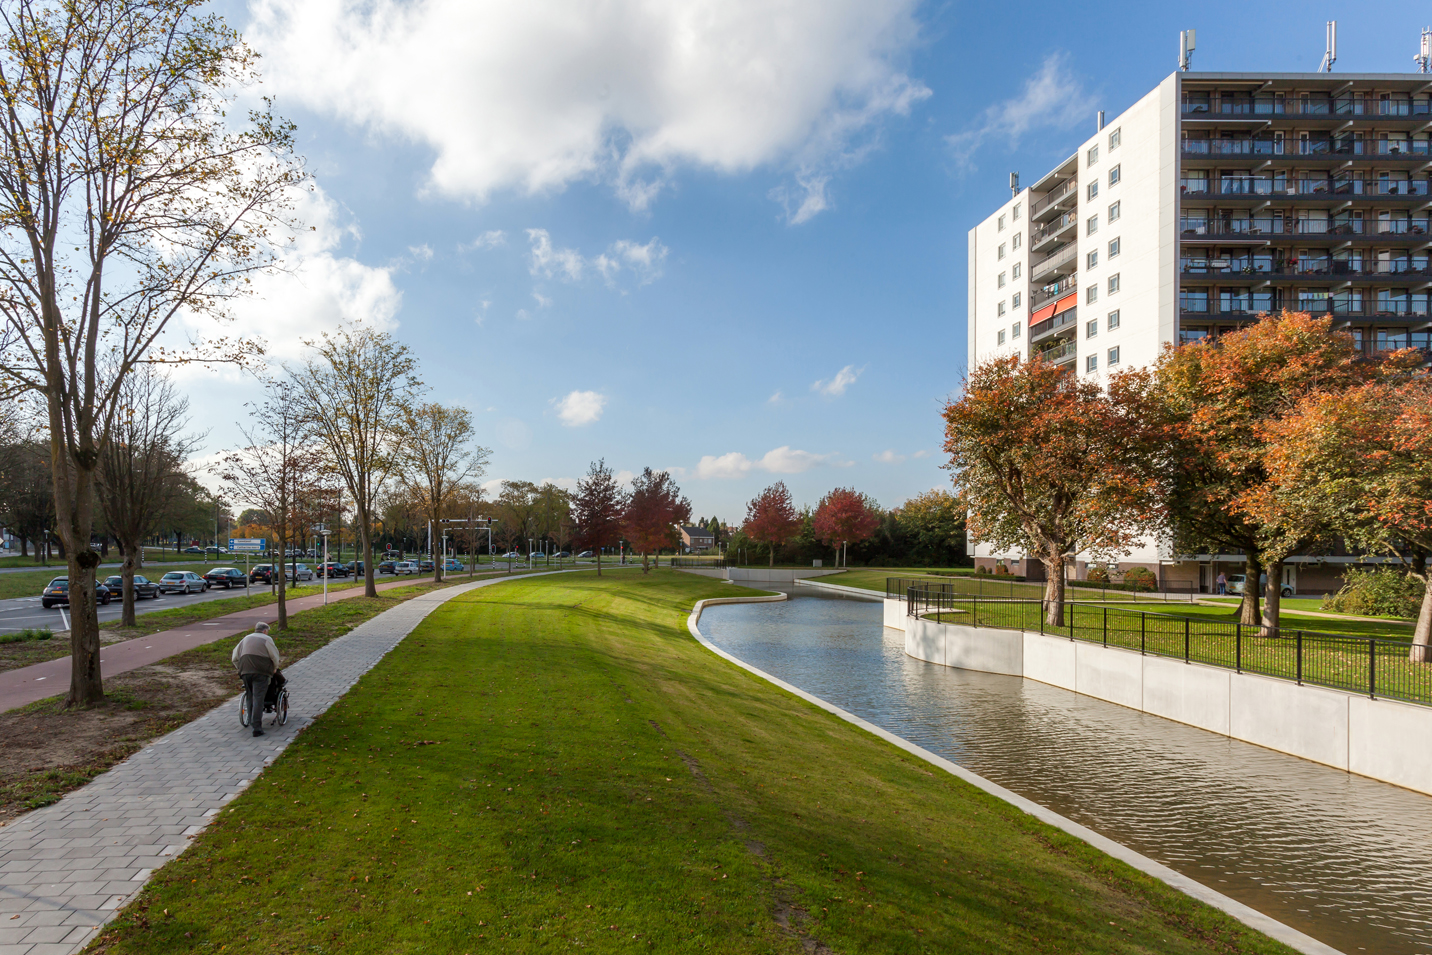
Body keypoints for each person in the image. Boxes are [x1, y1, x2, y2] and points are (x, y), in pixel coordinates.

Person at [232, 622, 281, 737]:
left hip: (245, 671)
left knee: (250, 696)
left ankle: (250, 720)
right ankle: (257, 728)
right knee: (258, 698)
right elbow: (274, 656)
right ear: (265, 631)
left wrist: (240, 668)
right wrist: (275, 668)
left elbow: (234, 657)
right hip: (261, 672)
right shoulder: (267, 639)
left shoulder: (245, 639)